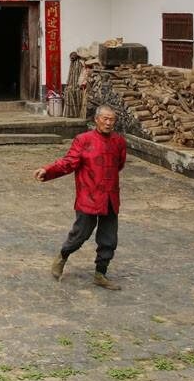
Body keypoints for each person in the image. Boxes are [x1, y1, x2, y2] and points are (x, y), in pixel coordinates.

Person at [33, 104, 127, 290]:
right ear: (96, 120)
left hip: (110, 197)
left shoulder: (119, 142)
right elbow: (69, 162)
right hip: (89, 196)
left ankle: (101, 273)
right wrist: (48, 170)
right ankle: (63, 256)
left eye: (112, 120)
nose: (109, 123)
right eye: (105, 119)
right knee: (80, 234)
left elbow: (119, 164)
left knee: (109, 239)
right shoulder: (83, 140)